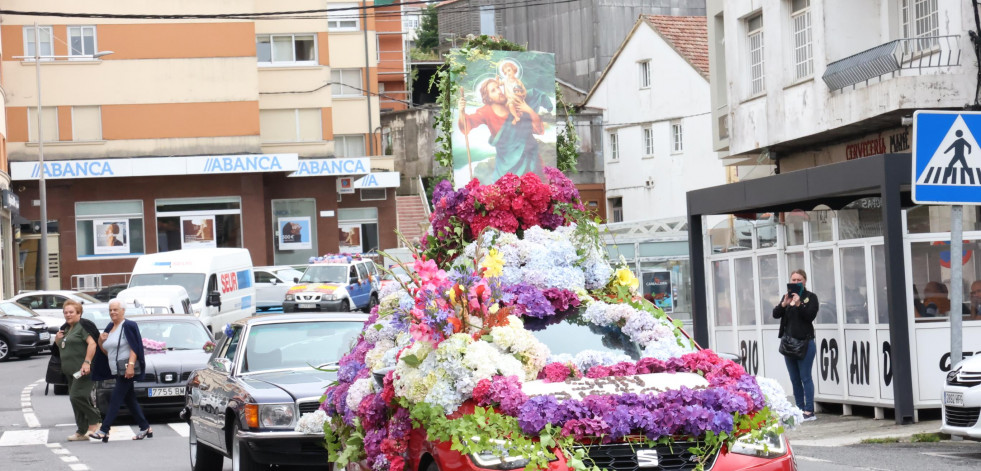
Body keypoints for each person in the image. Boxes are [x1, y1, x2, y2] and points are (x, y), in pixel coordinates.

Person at [457, 76, 553, 180]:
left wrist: (529, 110)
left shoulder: (513, 101)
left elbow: (538, 130)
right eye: (493, 90)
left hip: (530, 157)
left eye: (498, 87)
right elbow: (467, 126)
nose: (499, 91)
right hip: (506, 162)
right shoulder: (485, 111)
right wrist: (461, 112)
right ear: (488, 97)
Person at [89, 300, 151, 442]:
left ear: (123, 311)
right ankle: (145, 426)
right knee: (129, 400)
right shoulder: (110, 326)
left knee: (116, 399)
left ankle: (104, 430)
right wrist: (100, 341)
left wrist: (130, 365)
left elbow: (135, 347)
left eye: (116, 309)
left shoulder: (129, 325)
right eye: (110, 310)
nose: (113, 312)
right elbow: (107, 351)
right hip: (116, 370)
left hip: (126, 369)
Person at [773, 269, 819, 422]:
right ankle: (798, 409)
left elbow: (809, 316)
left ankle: (809, 410)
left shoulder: (810, 297)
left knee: (805, 377)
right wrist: (784, 304)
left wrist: (799, 304)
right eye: (793, 280)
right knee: (794, 378)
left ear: (804, 281)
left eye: (799, 279)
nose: (796, 282)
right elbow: (775, 314)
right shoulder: (787, 297)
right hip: (789, 344)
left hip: (805, 343)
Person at [55, 300, 102, 441]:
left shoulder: (83, 326)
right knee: (75, 401)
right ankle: (81, 431)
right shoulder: (67, 328)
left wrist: (87, 363)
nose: (68, 315)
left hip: (83, 370)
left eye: (71, 312)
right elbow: (62, 347)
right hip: (70, 372)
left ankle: (95, 420)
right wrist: (57, 340)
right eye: (65, 312)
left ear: (79, 313)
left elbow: (92, 343)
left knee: (76, 396)